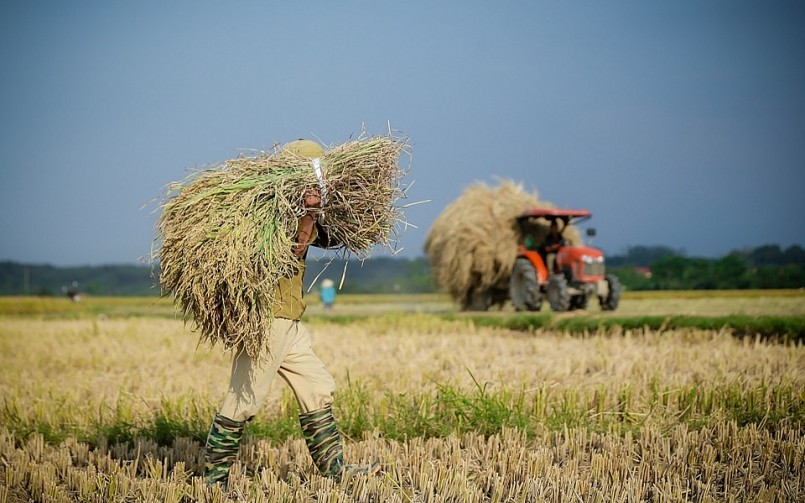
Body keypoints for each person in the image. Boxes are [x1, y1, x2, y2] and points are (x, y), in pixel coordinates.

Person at [203, 139, 380, 487]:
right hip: (267, 321)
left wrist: (323, 214)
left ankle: (335, 470)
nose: (319, 185)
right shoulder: (271, 214)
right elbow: (287, 252)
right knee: (244, 401)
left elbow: (327, 239)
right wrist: (308, 214)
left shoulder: (302, 213)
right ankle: (213, 478)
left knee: (317, 387)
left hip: (290, 321)